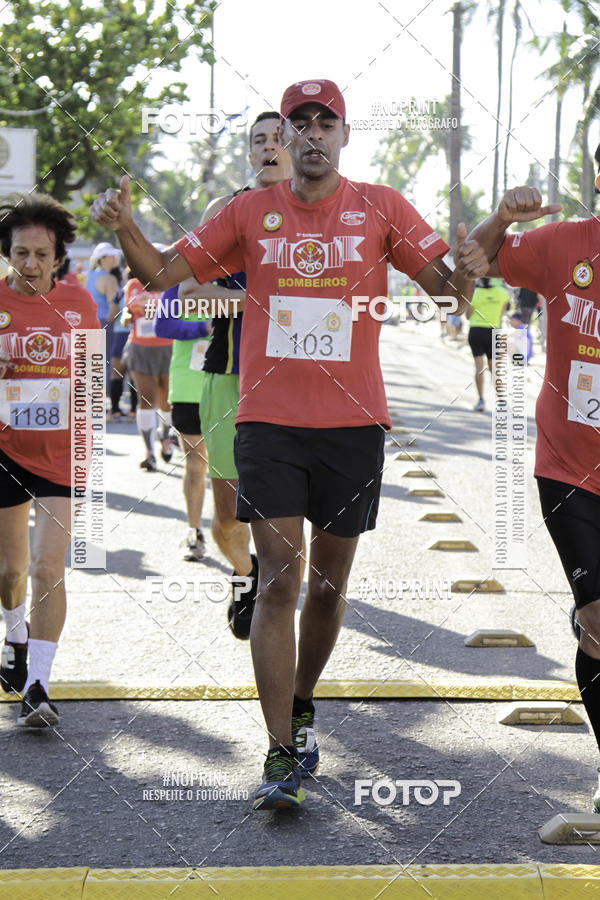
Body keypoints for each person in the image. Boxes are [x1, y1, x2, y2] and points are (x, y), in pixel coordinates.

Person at [91, 78, 487, 810]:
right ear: (282, 139)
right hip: (268, 420)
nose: (309, 133)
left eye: (323, 122)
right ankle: (278, 753)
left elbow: (446, 295)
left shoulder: (381, 207)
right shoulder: (248, 212)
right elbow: (158, 276)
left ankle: (302, 702)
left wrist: (473, 258)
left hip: (354, 424)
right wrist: (123, 225)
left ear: (342, 135)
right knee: (278, 577)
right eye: (297, 122)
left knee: (329, 590)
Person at [468, 177, 600, 810]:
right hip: (569, 467)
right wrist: (501, 217)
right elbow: (474, 260)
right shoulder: (563, 245)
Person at [187, 111, 292, 637]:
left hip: (297, 385)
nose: (270, 148)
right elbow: (186, 293)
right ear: (250, 154)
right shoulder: (224, 209)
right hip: (227, 377)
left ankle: (280, 590)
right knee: (226, 521)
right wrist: (255, 301)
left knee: (289, 515)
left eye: (281, 138)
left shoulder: (320, 212)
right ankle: (245, 573)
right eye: (260, 141)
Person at [0, 192, 99, 727]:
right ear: (8, 254)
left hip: (62, 452)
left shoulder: (81, 304)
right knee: (9, 569)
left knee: (46, 566)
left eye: (41, 254)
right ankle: (14, 633)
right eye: (21, 253)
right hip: (4, 449)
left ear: (59, 257)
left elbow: (92, 383)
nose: (31, 264)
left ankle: (38, 684)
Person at [155, 284, 211, 560]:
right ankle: (195, 531)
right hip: (189, 387)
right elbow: (162, 327)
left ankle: (238, 537)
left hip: (234, 385)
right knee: (196, 462)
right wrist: (202, 328)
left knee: (236, 465)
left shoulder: (237, 276)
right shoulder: (176, 287)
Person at [123, 267, 173, 471]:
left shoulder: (171, 281)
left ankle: (165, 436)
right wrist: (127, 314)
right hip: (141, 348)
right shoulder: (134, 284)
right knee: (146, 399)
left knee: (166, 400)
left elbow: (178, 306)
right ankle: (149, 452)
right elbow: (131, 306)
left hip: (169, 347)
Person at [467, 275, 510, 411]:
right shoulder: (503, 293)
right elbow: (502, 313)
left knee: (479, 367)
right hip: (493, 331)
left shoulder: (475, 293)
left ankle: (480, 400)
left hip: (476, 331)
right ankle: (501, 400)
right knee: (494, 369)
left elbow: (468, 316)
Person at [108, 264, 137, 421]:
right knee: (135, 376)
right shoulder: (146, 292)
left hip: (120, 335)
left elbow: (111, 316)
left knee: (116, 375)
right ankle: (133, 411)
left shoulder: (120, 293)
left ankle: (115, 411)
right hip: (138, 336)